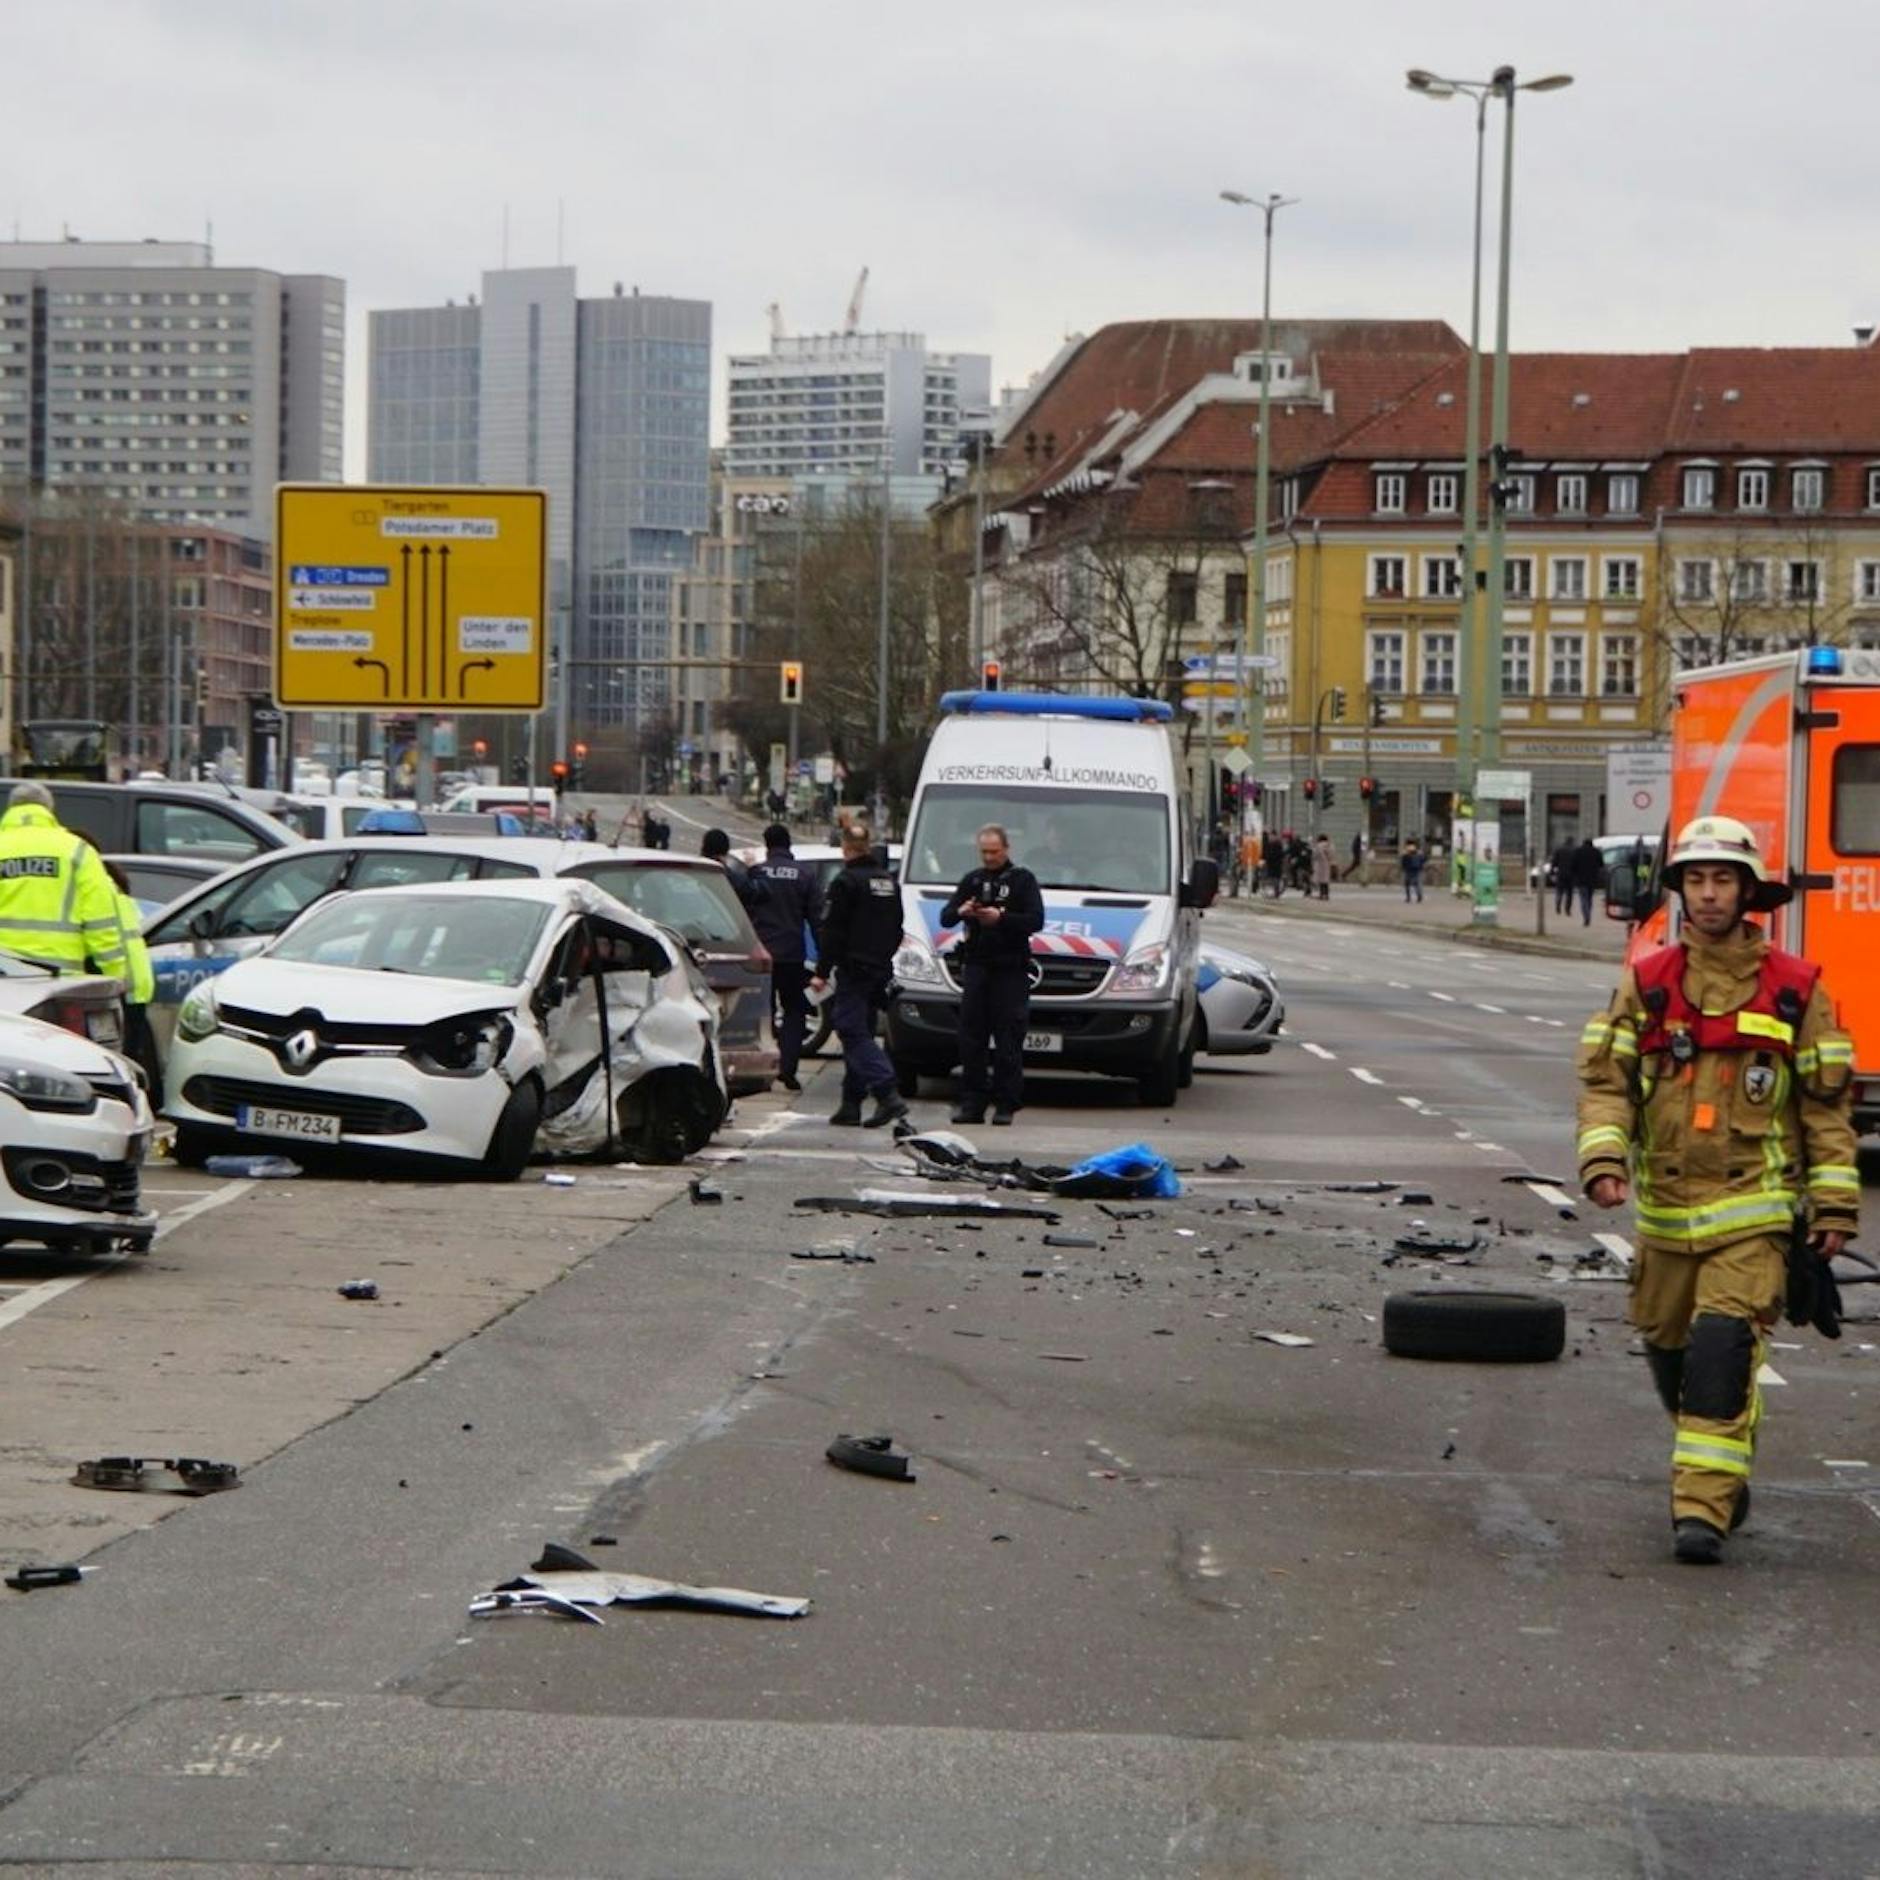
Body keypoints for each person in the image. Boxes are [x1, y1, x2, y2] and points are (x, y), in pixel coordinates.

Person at [1577, 815, 1858, 1565]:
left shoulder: (1798, 992)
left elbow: (1826, 1110)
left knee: (1720, 1351)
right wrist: (1604, 1159)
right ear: (1679, 890)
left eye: (1722, 879)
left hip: (1754, 1214)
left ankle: (1699, 1512)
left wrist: (1833, 1205)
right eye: (1695, 879)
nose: (1707, 894)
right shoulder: (1648, 983)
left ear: (1747, 892)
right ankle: (1724, 1465)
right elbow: (1608, 1084)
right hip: (1666, 1220)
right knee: (1673, 1353)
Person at [940, 823, 1044, 1126]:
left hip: (1010, 970)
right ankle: (973, 1102)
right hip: (977, 967)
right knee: (971, 1038)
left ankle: (1006, 1104)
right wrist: (964, 911)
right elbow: (946, 917)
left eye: (994, 852)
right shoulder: (972, 880)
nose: (989, 858)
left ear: (1006, 849)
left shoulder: (1023, 880)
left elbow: (1035, 920)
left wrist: (1002, 918)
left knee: (1008, 1039)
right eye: (984, 852)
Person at [812, 824, 908, 1129]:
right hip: (880, 969)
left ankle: (887, 1092)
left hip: (855, 968)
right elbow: (898, 928)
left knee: (850, 1030)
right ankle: (851, 1103)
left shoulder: (845, 882)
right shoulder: (888, 882)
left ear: (845, 847)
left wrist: (821, 971)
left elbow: (832, 932)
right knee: (862, 1031)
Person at [0, 782, 129, 986]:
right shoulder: (78, 850)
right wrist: (117, 974)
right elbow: (101, 921)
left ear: (10, 808)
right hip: (62, 980)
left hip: (5, 978)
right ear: (49, 810)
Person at [749, 823, 825, 1093]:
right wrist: (824, 962)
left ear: (767, 845)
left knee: (763, 1012)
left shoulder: (757, 873)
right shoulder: (805, 875)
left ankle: (764, 1066)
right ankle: (788, 1067)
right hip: (793, 955)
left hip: (762, 956)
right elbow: (817, 920)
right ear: (789, 844)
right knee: (795, 1011)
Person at [100, 858, 159, 1091]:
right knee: (127, 1065)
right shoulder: (122, 898)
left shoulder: (102, 891)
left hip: (119, 988)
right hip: (135, 990)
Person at [700, 827, 768, 914]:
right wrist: (753, 866)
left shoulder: (692, 874)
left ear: (703, 848)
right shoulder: (730, 878)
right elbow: (763, 891)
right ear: (726, 850)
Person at [1570, 834, 1603, 925]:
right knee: (1589, 898)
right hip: (1592, 879)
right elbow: (1601, 864)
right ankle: (1588, 913)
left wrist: (1574, 875)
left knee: (1583, 899)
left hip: (1581, 879)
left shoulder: (1578, 852)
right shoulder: (1596, 852)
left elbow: (1573, 865)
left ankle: (1586, 916)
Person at [1550, 837, 1577, 916]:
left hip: (1561, 873)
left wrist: (1552, 872)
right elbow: (1576, 863)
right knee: (1569, 893)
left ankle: (1558, 904)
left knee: (1559, 891)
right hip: (1571, 874)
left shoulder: (1559, 850)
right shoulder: (1575, 850)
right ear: (1572, 842)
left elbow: (1554, 862)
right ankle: (1567, 909)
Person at [1400, 837, 1425, 903]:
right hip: (1417, 869)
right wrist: (1421, 866)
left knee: (1407, 883)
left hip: (1408, 869)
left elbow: (1403, 860)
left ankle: (1408, 898)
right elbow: (1423, 859)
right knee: (1416, 883)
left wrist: (1402, 868)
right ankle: (1419, 896)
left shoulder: (1406, 851)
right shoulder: (1419, 851)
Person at [1310, 832, 1333, 902]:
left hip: (1320, 864)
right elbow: (1332, 854)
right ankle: (1326, 894)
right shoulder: (1330, 846)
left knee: (1321, 881)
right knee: (1326, 880)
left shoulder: (1318, 846)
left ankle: (1322, 894)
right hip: (1327, 864)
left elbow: (1315, 855)